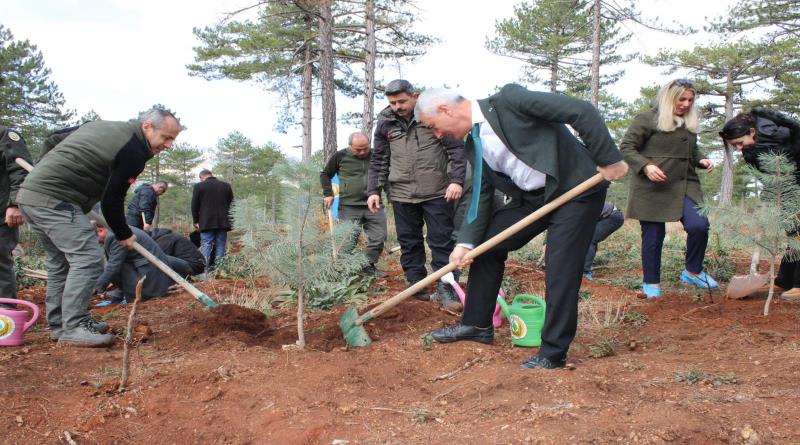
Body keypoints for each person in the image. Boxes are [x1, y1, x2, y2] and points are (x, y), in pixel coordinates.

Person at [416, 85, 628, 369]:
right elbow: (481, 194)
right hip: (532, 199)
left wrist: (608, 158)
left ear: (446, 110)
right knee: (487, 247)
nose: (437, 134)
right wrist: (465, 244)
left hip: (574, 190)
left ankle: (553, 351)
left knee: (560, 265)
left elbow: (581, 111)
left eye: (433, 127)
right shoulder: (473, 143)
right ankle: (477, 325)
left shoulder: (509, 101)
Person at [17, 108, 181, 346]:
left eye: (173, 140)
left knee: (60, 263)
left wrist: (42, 168)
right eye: (166, 137)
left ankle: (61, 324)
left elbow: (53, 137)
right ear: (147, 126)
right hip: (55, 201)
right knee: (88, 258)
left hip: (31, 196)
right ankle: (73, 326)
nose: (168, 145)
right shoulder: (134, 150)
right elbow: (111, 200)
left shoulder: (102, 126)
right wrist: (124, 233)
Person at [367, 79, 467, 310]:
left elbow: (456, 151)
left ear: (414, 96)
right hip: (402, 193)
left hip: (437, 192)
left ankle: (447, 285)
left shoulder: (432, 116)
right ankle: (416, 283)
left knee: (441, 241)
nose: (397, 107)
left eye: (402, 101)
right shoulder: (385, 124)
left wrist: (456, 181)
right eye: (392, 103)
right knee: (408, 241)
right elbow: (379, 160)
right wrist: (373, 190)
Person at [620, 79, 717, 299]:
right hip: (653, 184)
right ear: (668, 97)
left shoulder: (688, 122)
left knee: (699, 225)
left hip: (685, 183)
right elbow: (626, 147)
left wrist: (702, 160)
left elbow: (693, 151)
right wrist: (646, 166)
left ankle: (692, 271)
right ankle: (651, 282)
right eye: (681, 99)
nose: (686, 104)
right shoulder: (646, 118)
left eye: (690, 100)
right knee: (654, 236)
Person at [720, 108, 800, 299]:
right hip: (786, 187)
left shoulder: (777, 135)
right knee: (793, 234)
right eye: (734, 145)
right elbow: (768, 175)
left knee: (799, 235)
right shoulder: (752, 149)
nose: (738, 148)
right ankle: (785, 281)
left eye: (739, 143)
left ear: (752, 132)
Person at [320, 132, 388, 277]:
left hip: (374, 205)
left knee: (379, 237)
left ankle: (366, 266)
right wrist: (328, 194)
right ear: (350, 146)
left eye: (365, 148)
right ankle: (344, 271)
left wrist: (392, 196)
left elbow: (387, 176)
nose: (362, 152)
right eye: (358, 149)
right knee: (347, 241)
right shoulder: (340, 156)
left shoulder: (377, 156)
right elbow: (325, 174)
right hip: (349, 206)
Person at [94, 225, 190, 305]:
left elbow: (114, 267)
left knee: (115, 267)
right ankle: (127, 298)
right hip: (154, 277)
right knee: (116, 267)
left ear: (101, 230)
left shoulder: (116, 236)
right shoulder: (122, 230)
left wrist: (96, 288)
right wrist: (116, 299)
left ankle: (136, 299)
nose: (97, 242)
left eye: (95, 238)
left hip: (151, 282)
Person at [0, 125, 32, 310]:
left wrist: (15, 204)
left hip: (2, 213)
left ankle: (5, 317)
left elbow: (20, 169)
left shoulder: (5, 135)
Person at [191, 169, 233, 271]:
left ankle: (204, 271)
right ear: (211, 175)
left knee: (206, 244)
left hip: (206, 222)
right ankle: (220, 270)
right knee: (221, 244)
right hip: (223, 221)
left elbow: (194, 205)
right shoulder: (226, 186)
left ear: (201, 177)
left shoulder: (199, 186)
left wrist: (196, 221)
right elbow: (231, 203)